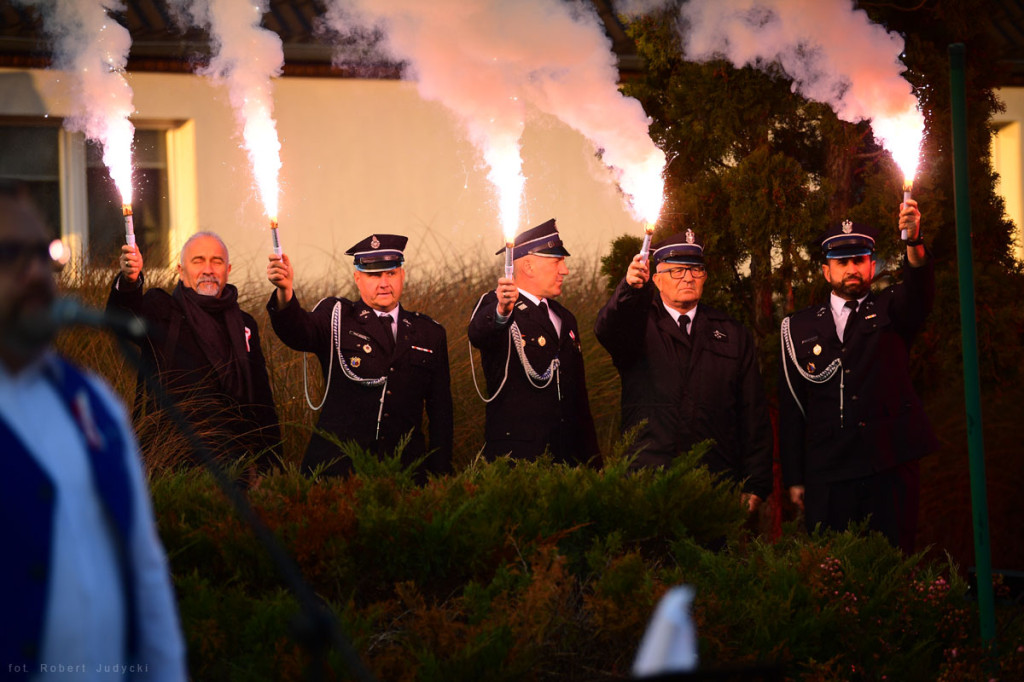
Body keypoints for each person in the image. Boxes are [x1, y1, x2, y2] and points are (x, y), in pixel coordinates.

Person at [0, 181, 186, 679]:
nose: (37, 271)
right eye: (11, 254)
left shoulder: (95, 403)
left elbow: (146, 575)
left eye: (45, 253)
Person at [778, 201, 936, 552]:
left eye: (859, 260)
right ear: (826, 271)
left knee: (893, 568)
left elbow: (920, 292)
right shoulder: (797, 326)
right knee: (834, 576)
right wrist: (794, 478)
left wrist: (914, 241)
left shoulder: (892, 307)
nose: (851, 268)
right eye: (842, 262)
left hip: (888, 467)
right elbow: (793, 410)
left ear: (872, 265)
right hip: (829, 474)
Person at [594, 230, 774, 511]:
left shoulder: (732, 333)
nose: (688, 278)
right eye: (677, 271)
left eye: (695, 270)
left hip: (714, 485)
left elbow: (753, 413)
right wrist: (628, 290)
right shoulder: (638, 325)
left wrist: (755, 484)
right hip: (648, 484)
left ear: (704, 277)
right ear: (656, 278)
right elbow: (607, 329)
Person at [266, 234, 453, 482]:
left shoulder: (429, 332)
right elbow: (298, 332)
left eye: (391, 273)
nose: (384, 283)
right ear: (357, 278)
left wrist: (439, 477)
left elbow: (441, 414)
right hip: (339, 472)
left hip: (404, 473)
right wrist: (285, 292)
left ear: (402, 275)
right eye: (374, 275)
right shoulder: (337, 317)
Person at [107, 231, 281, 473]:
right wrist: (129, 281)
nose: (208, 269)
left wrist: (270, 468)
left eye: (216, 261)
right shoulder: (161, 310)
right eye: (198, 261)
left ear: (228, 269)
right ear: (181, 270)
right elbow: (121, 322)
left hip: (236, 465)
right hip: (172, 463)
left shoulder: (245, 325)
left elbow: (261, 402)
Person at [468, 218, 599, 464]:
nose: (565, 270)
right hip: (520, 459)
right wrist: (501, 311)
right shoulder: (495, 305)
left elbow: (579, 400)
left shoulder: (565, 317)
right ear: (528, 266)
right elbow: (479, 333)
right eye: (556, 261)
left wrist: (592, 460)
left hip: (568, 458)